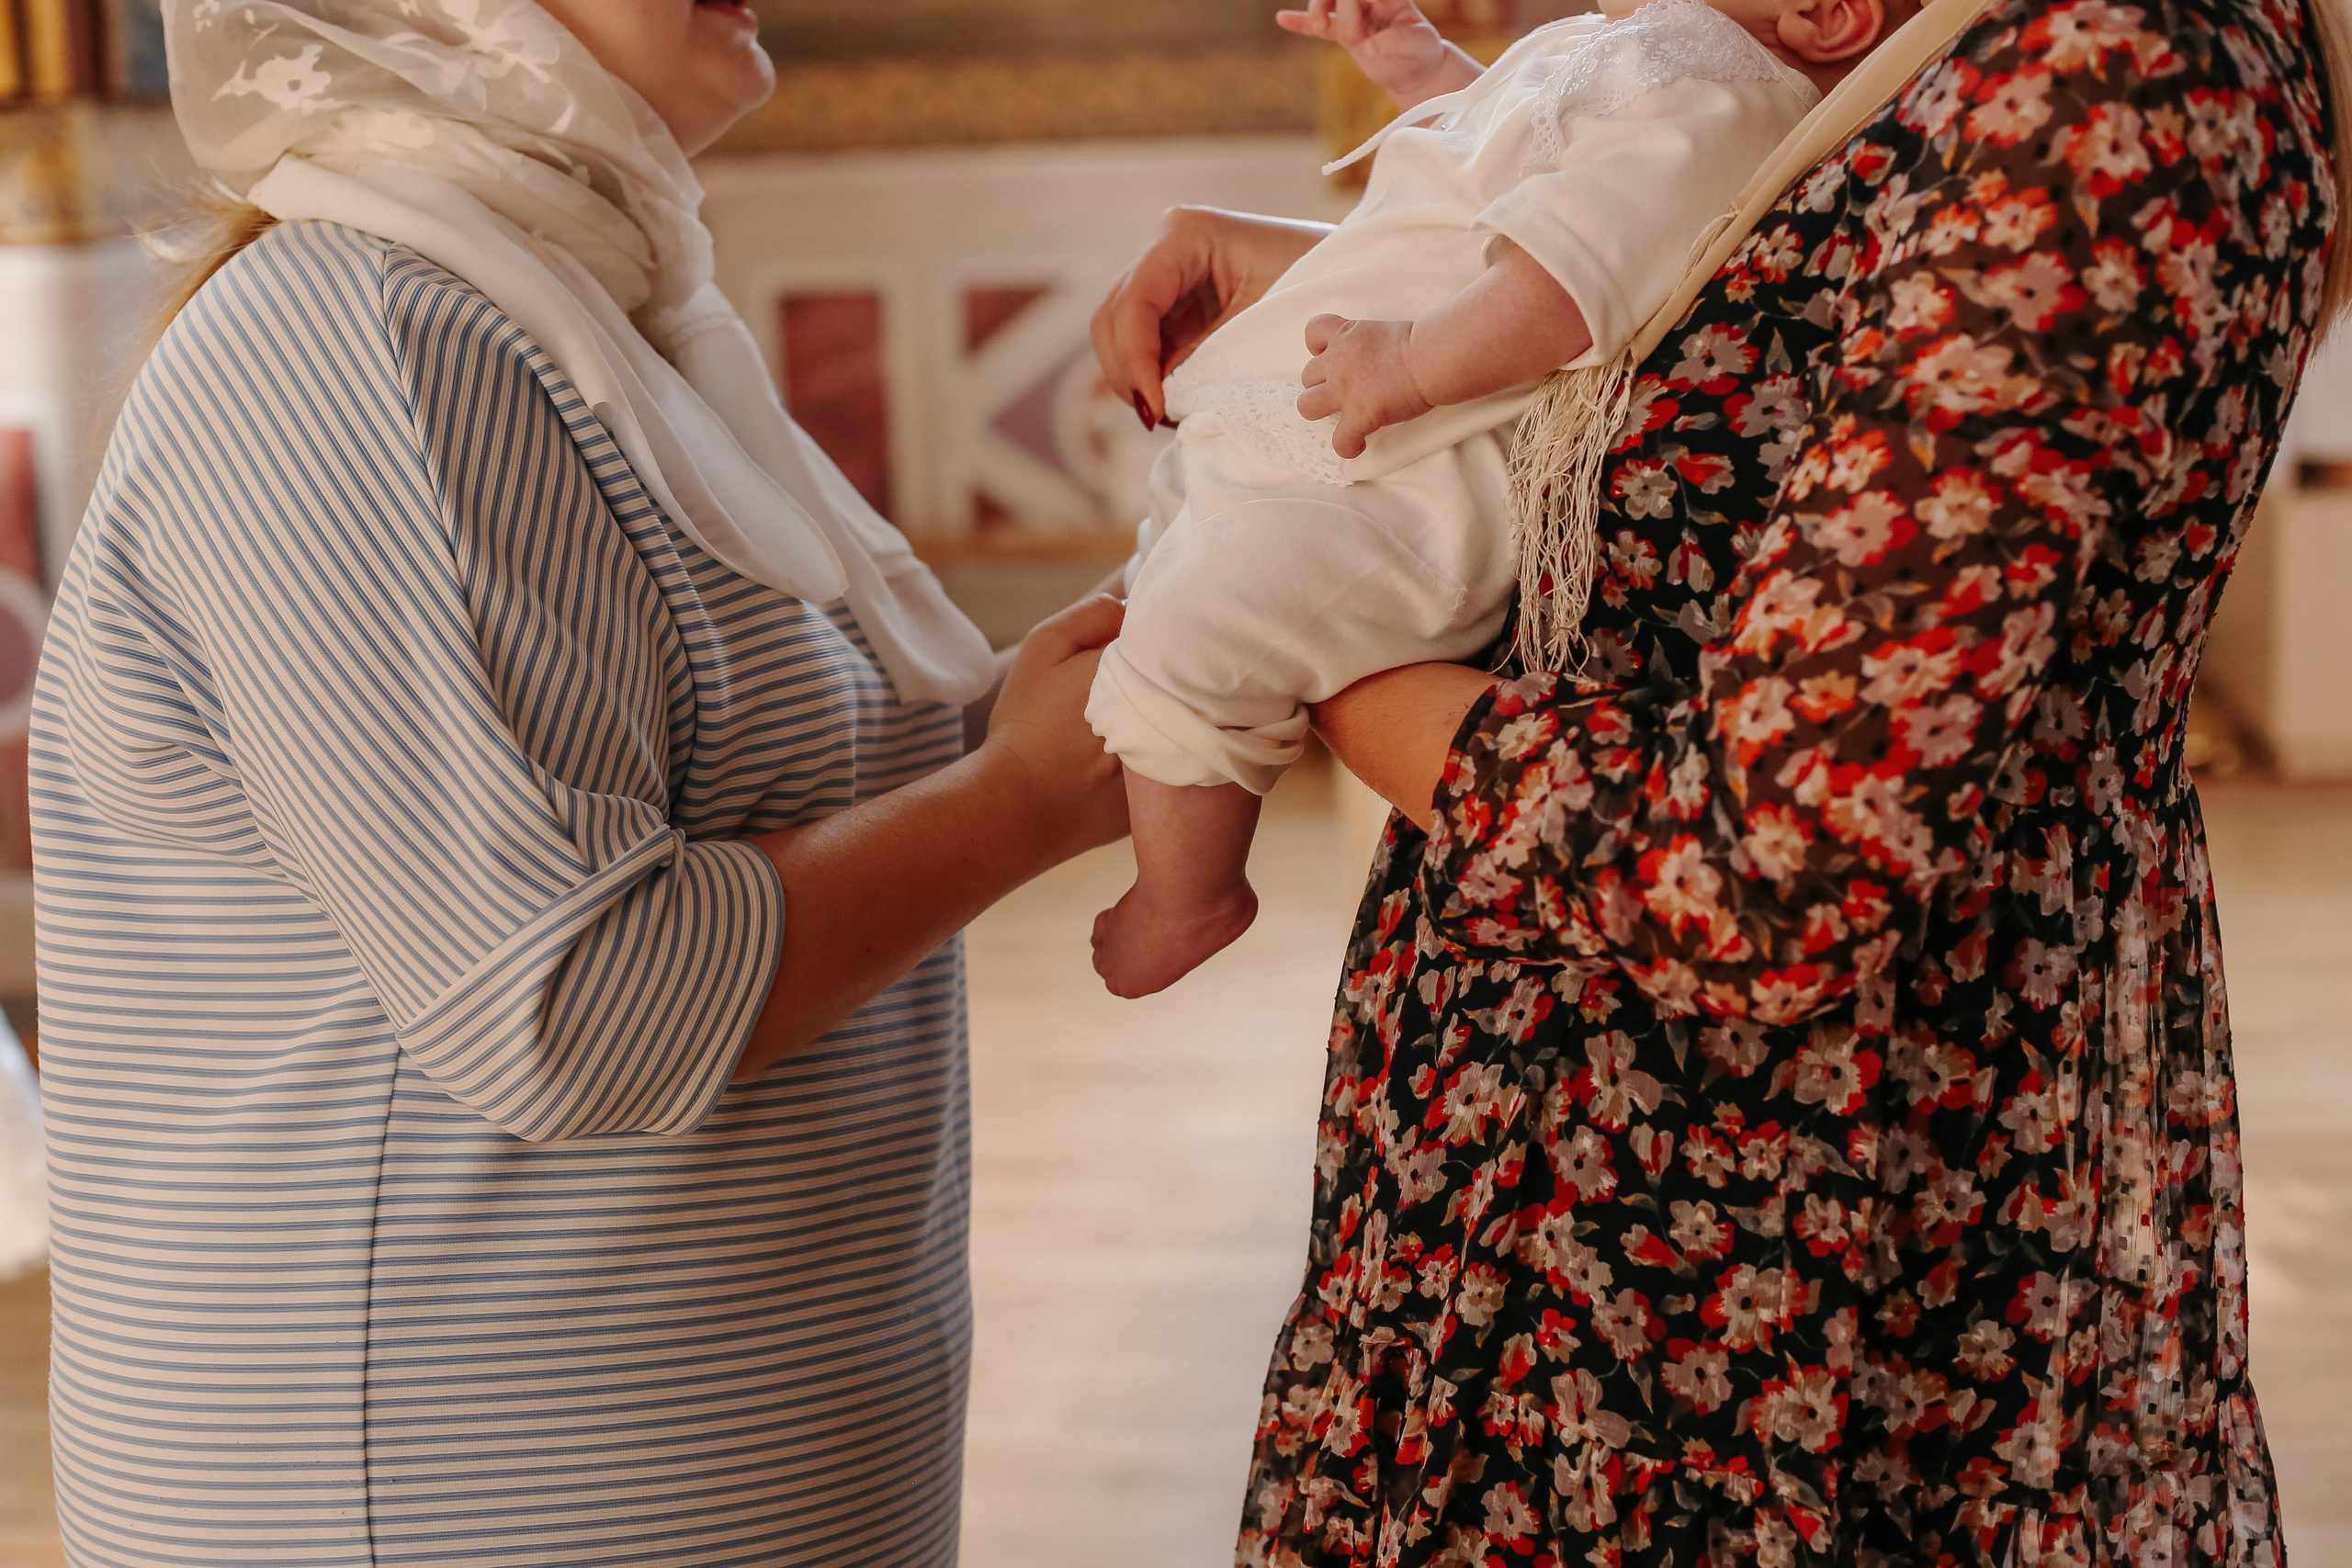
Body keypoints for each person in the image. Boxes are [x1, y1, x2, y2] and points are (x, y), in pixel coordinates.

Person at [1091, 0, 2347, 1553]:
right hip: (1608, 1176)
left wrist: (1305, 631)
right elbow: (1728, 325)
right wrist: (1341, 268)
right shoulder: (1949, 49)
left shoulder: (2110, 69)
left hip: (1775, 1223)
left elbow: (1769, 869)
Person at [31, 1, 1125, 1562]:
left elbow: (737, 787)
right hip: (430, 1494)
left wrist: (1056, 714)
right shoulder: (363, 340)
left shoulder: (568, 310)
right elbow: (573, 1003)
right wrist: (1022, 802)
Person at [1086, 0, 1897, 998]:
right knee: (1171, 579)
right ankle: (1132, 752)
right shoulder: (1656, 50)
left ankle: (1185, 897)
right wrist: (1423, 69)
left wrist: (1416, 363)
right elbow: (1524, 157)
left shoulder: (1724, 84)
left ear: (1824, 17)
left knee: (1204, 618)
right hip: (1342, 428)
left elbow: (1568, 272)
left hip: (1413, 471)